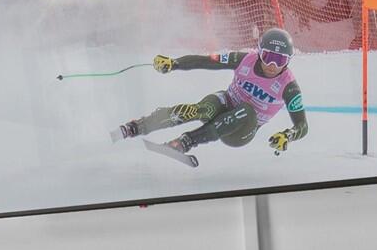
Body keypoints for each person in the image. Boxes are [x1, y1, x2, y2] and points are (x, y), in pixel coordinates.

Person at [112, 28, 306, 167]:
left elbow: (302, 126)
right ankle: (137, 126)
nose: (272, 64)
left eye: (280, 60)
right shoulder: (244, 59)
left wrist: (287, 135)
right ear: (259, 52)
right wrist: (174, 63)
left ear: (288, 61)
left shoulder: (289, 86)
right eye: (267, 56)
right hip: (226, 103)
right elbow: (206, 61)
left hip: (241, 130)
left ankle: (185, 142)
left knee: (246, 110)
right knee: (197, 109)